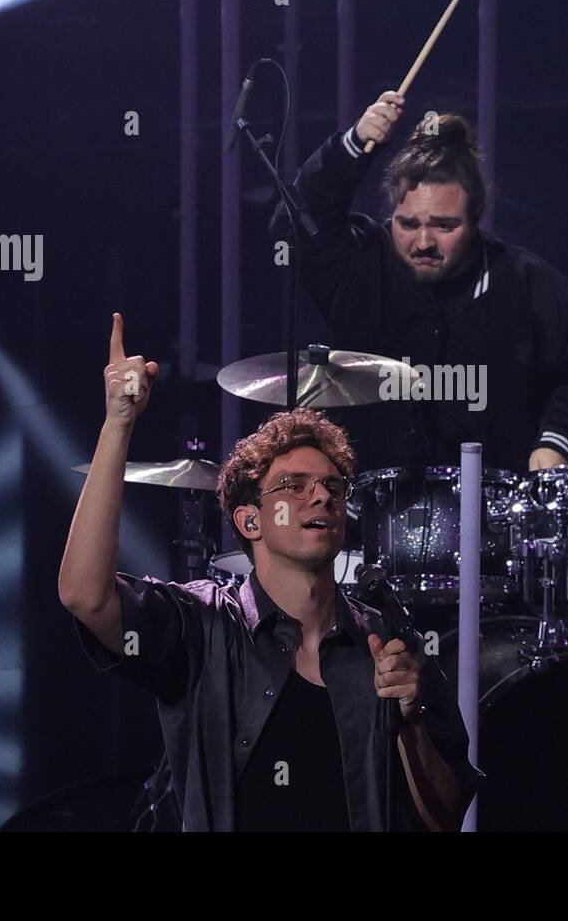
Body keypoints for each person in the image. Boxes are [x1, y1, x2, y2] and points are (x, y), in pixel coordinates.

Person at [58, 312, 479, 831]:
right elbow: (85, 595)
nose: (322, 494)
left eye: (332, 486)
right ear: (250, 520)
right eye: (294, 486)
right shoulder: (203, 626)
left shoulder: (388, 639)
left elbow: (446, 818)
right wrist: (118, 424)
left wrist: (411, 716)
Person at [272, 92, 568, 472]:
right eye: (408, 224)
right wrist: (349, 148)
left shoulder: (531, 285)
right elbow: (294, 225)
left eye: (444, 226)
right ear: (391, 212)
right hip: (367, 512)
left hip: (498, 515)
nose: (423, 243)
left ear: (477, 216)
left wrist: (555, 444)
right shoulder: (360, 263)